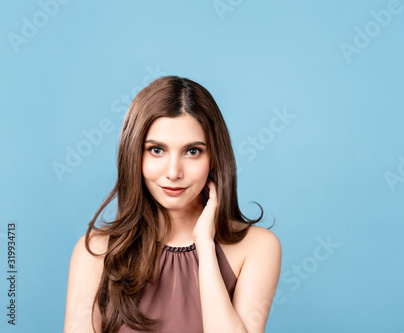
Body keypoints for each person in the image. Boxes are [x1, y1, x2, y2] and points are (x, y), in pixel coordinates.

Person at [64, 76, 282, 333]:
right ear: (134, 154)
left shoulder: (257, 247)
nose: (173, 172)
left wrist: (204, 243)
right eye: (157, 150)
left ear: (214, 157)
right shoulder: (96, 252)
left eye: (192, 151)